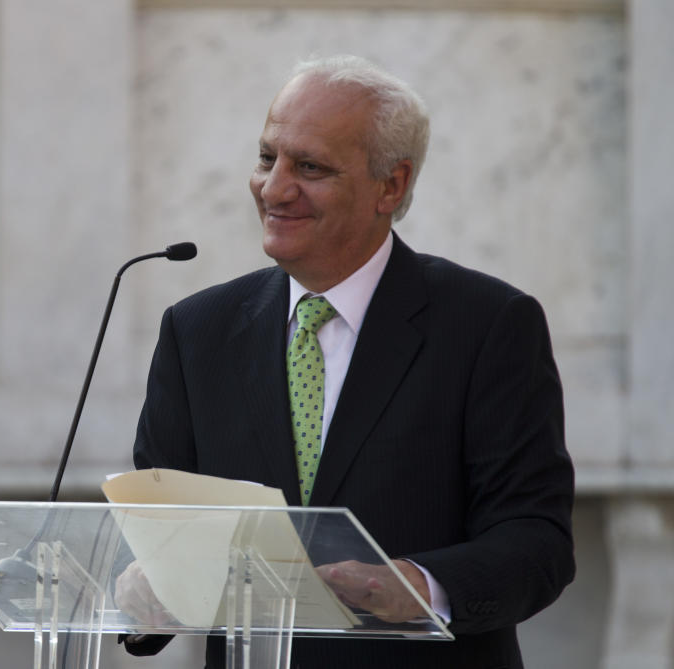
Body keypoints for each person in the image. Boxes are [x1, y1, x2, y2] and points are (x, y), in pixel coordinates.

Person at [121, 55, 575, 668]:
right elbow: (164, 534)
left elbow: (536, 541)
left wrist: (416, 586)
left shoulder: (488, 324)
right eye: (266, 158)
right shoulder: (197, 330)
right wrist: (144, 592)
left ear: (391, 185)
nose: (274, 188)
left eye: (309, 167)